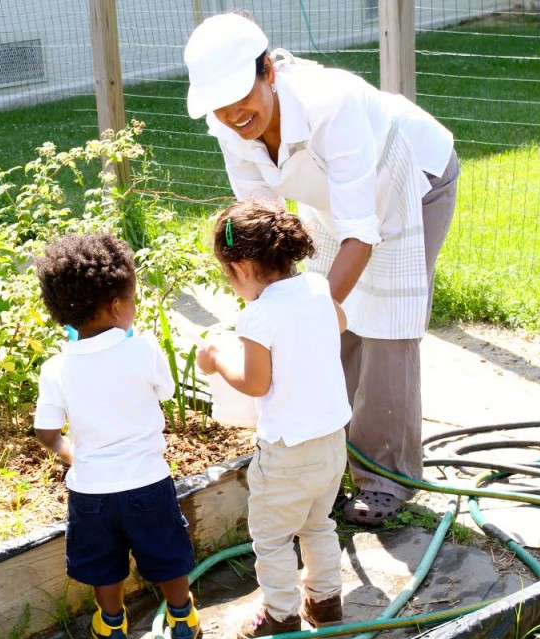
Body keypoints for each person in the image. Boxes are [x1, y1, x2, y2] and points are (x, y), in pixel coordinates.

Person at [184, 12, 460, 526]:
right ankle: (330, 459)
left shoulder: (333, 103)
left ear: (268, 70)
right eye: (219, 106)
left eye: (239, 97)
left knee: (384, 329)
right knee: (335, 321)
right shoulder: (230, 125)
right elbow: (264, 222)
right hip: (336, 201)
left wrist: (305, 316)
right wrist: (280, 313)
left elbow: (363, 229)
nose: (231, 113)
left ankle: (385, 478)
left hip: (409, 177)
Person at [32, 231, 200, 639]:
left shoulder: (56, 367)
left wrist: (72, 454)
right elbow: (163, 392)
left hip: (91, 492)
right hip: (147, 483)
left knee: (104, 563)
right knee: (165, 553)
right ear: (116, 305)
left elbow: (46, 432)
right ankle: (182, 619)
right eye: (133, 298)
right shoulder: (142, 349)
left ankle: (112, 629)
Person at [197, 199, 350, 639]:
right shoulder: (319, 288)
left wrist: (219, 358)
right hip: (331, 442)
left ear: (242, 267)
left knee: (274, 537)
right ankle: (325, 604)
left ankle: (281, 621)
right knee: (318, 523)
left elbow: (255, 381)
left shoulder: (259, 315)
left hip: (286, 451)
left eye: (227, 275)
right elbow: (339, 322)